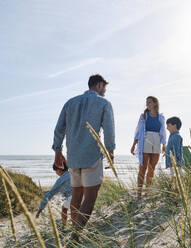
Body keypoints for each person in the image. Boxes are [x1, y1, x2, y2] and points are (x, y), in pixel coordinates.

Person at [52, 74, 115, 242]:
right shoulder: (103, 103)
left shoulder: (70, 102)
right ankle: (75, 236)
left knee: (77, 195)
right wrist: (111, 151)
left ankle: (75, 233)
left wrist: (57, 152)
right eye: (105, 87)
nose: (105, 91)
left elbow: (59, 129)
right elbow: (109, 130)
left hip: (73, 158)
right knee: (90, 197)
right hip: (91, 156)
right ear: (100, 85)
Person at [131, 96, 166, 198]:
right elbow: (138, 132)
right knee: (143, 168)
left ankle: (147, 192)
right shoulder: (144, 116)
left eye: (149, 102)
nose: (147, 104)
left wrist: (164, 144)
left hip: (157, 142)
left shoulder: (161, 117)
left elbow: (163, 132)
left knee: (151, 169)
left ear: (155, 103)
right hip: (145, 141)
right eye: (146, 102)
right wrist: (133, 145)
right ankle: (139, 193)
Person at [36, 162, 71, 229]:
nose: (56, 173)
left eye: (55, 171)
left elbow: (50, 194)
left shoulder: (61, 179)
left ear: (59, 170)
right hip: (83, 195)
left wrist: (40, 210)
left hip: (73, 197)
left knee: (64, 208)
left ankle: (64, 226)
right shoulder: (72, 173)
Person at [165, 117, 185, 184]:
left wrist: (176, 162)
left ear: (174, 126)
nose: (167, 128)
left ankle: (172, 189)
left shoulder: (176, 136)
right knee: (174, 176)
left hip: (175, 162)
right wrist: (166, 152)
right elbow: (170, 147)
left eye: (168, 126)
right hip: (172, 162)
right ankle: (173, 189)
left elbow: (177, 151)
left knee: (176, 177)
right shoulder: (172, 135)